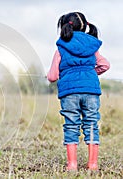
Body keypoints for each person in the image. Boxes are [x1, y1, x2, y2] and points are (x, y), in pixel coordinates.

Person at [47, 12, 110, 171]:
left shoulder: (61, 47)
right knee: (91, 124)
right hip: (91, 90)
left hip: (69, 93)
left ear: (66, 26)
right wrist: (89, 74)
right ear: (84, 26)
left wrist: (60, 74)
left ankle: (72, 165)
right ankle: (93, 165)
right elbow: (105, 65)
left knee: (71, 125)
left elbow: (53, 76)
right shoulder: (92, 46)